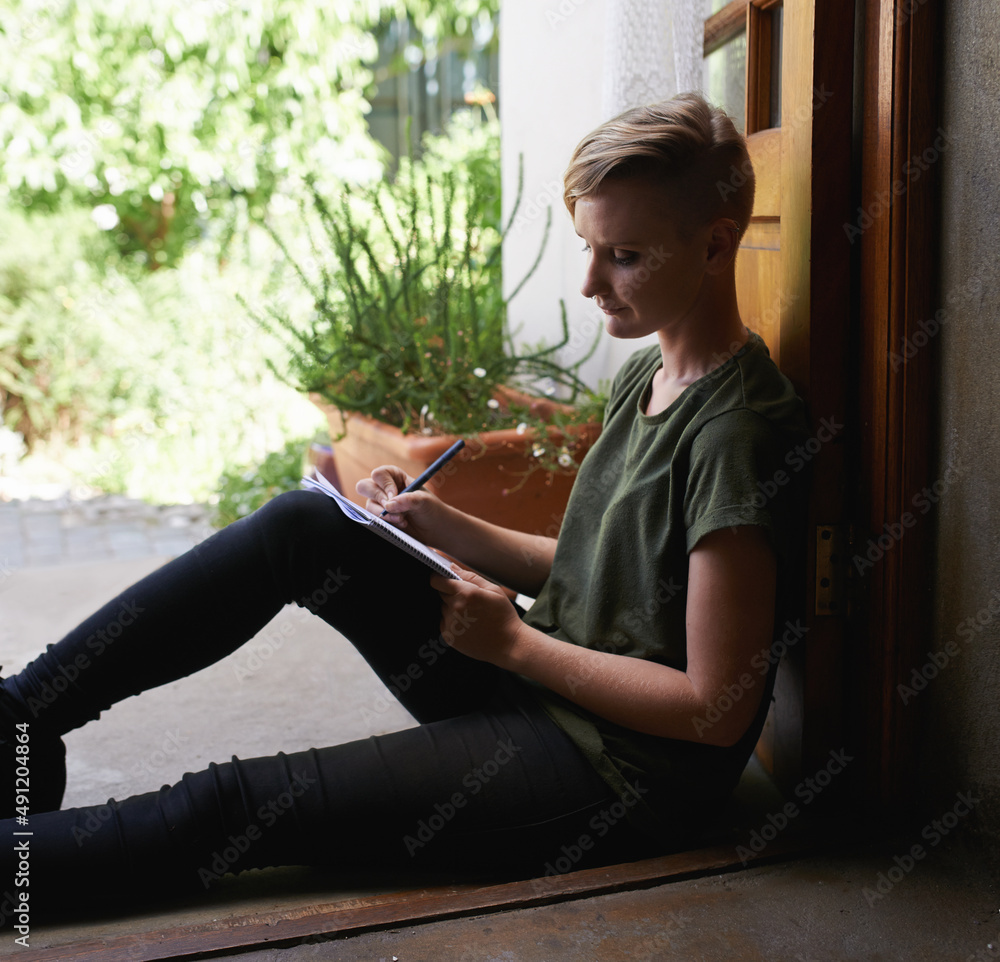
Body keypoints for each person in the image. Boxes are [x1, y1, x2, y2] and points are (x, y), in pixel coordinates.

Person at [0, 92, 808, 922]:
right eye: (588, 248)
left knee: (236, 805)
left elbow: (716, 708)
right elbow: (599, 565)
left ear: (714, 246)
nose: (590, 283)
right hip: (542, 684)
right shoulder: (649, 372)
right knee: (305, 526)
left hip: (614, 775)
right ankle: (17, 718)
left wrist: (518, 647)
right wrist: (438, 524)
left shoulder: (737, 434)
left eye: (625, 256)